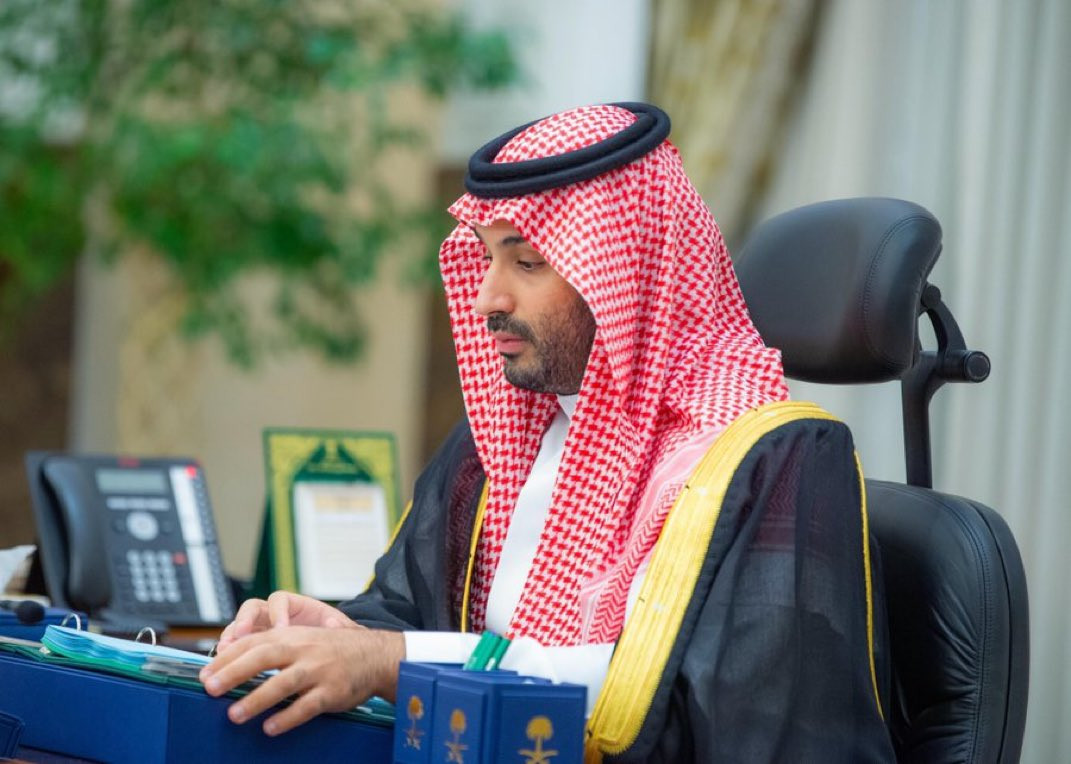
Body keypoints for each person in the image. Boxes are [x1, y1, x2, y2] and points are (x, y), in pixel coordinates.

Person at [201, 103, 894, 761]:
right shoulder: (500, 434)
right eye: (486, 258)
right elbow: (409, 612)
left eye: (527, 263)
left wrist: (396, 662)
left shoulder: (769, 459)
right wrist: (344, 634)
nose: (487, 298)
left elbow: (710, 717)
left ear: (625, 272)